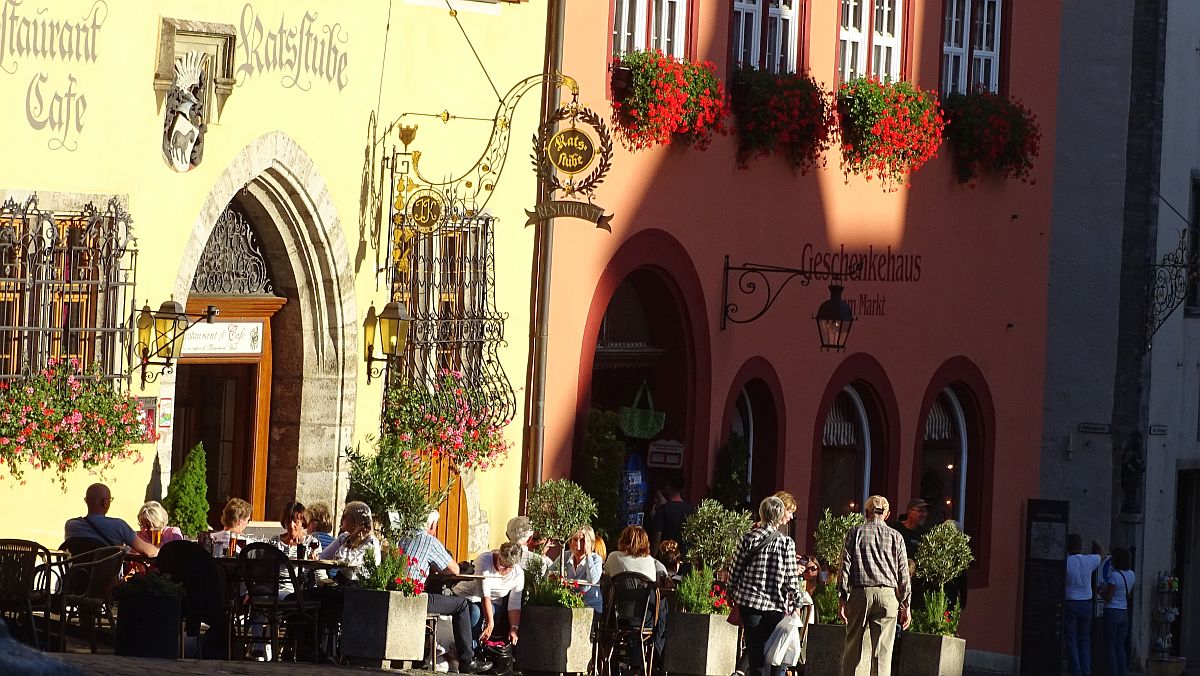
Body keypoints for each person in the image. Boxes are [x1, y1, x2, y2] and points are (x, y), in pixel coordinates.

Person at [393, 510, 493, 674]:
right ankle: (467, 660)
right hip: (414, 599)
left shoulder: (402, 537)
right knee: (461, 604)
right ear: (431, 525)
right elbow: (454, 569)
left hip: (393, 594)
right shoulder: (429, 541)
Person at [729, 496, 807, 676]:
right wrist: (797, 601)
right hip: (775, 605)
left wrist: (731, 591)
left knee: (756, 654)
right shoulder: (786, 542)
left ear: (761, 513)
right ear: (780, 516)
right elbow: (790, 579)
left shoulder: (748, 538)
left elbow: (735, 569)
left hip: (750, 603)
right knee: (773, 652)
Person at [838, 495, 910, 676]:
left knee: (853, 647)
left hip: (860, 593)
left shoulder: (856, 532)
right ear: (887, 515)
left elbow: (845, 566)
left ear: (866, 513)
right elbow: (904, 572)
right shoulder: (896, 536)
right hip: (888, 595)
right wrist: (906, 604)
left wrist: (842, 597)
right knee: (883, 653)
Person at [454, 541, 525, 645]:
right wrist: (490, 624)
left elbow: (514, 604)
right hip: (468, 596)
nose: (504, 569)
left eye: (509, 567)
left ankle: (474, 649)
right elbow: (484, 594)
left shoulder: (518, 574)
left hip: (492, 604)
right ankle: (468, 649)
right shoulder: (485, 561)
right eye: (502, 565)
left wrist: (514, 628)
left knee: (488, 610)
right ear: (498, 555)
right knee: (475, 612)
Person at [64, 483, 159, 557]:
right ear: (105, 503)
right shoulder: (119, 526)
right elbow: (148, 552)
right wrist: (160, 550)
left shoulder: (71, 525)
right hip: (107, 580)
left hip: (78, 578)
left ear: (86, 501)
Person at [1064, 533, 1104, 676]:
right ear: (1080, 546)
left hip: (1071, 602)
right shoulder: (1089, 560)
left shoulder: (1066, 562)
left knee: (1071, 638)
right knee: (1084, 639)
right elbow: (1101, 554)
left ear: (1067, 546)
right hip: (1086, 603)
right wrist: (1097, 543)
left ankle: (1076, 670)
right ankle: (1086, 670)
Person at [318, 501, 382, 581]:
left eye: (344, 516)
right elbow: (322, 558)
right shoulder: (344, 537)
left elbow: (346, 570)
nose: (342, 519)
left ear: (356, 520)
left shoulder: (370, 543)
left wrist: (350, 541)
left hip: (358, 589)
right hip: (344, 586)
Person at [1102, 548, 1135, 676]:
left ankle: (1112, 672)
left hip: (1112, 612)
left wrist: (1100, 591)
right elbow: (1129, 594)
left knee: (1110, 646)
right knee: (1120, 646)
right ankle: (1123, 672)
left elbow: (1108, 598)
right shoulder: (1132, 574)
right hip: (1124, 613)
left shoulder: (1114, 576)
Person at [557, 525, 604, 613]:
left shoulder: (595, 559)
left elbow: (593, 580)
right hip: (568, 605)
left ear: (590, 543)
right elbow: (550, 573)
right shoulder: (565, 556)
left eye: (582, 541)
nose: (578, 544)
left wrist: (588, 555)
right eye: (575, 539)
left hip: (590, 607)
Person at [649, 478, 694, 552]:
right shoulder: (691, 510)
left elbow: (657, 539)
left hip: (666, 556)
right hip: (685, 556)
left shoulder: (663, 510)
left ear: (668, 487)